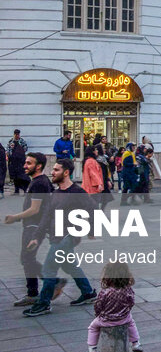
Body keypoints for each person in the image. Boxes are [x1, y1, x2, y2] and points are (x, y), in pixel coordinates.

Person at [23, 159, 97, 316]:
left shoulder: (77, 192)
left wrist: (91, 229)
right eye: (53, 169)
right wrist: (36, 236)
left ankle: (43, 303)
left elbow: (92, 209)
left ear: (66, 172)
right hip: (55, 236)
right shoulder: (55, 194)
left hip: (68, 236)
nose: (52, 172)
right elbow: (46, 217)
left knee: (48, 268)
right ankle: (88, 293)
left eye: (56, 170)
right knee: (71, 266)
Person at [4, 153, 52, 306]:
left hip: (34, 226)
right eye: (25, 162)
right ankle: (39, 288)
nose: (25, 165)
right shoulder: (40, 181)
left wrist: (15, 217)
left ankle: (38, 291)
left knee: (27, 258)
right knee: (27, 258)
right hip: (35, 226)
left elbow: (34, 209)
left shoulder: (39, 183)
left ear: (38, 166)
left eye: (29, 163)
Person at [84, 261, 142, 352]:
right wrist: (126, 311)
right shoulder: (127, 289)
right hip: (124, 318)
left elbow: (98, 305)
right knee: (131, 322)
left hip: (106, 320)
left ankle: (92, 350)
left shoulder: (105, 292)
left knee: (92, 327)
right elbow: (131, 302)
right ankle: (135, 343)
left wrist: (98, 315)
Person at [8, 129, 29, 194]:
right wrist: (9, 155)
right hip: (13, 162)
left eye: (18, 134)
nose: (17, 135)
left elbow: (25, 148)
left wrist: (20, 152)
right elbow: (8, 149)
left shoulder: (22, 141)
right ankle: (16, 190)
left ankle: (24, 190)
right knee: (15, 177)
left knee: (22, 176)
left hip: (21, 161)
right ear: (14, 134)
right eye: (15, 134)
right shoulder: (11, 141)